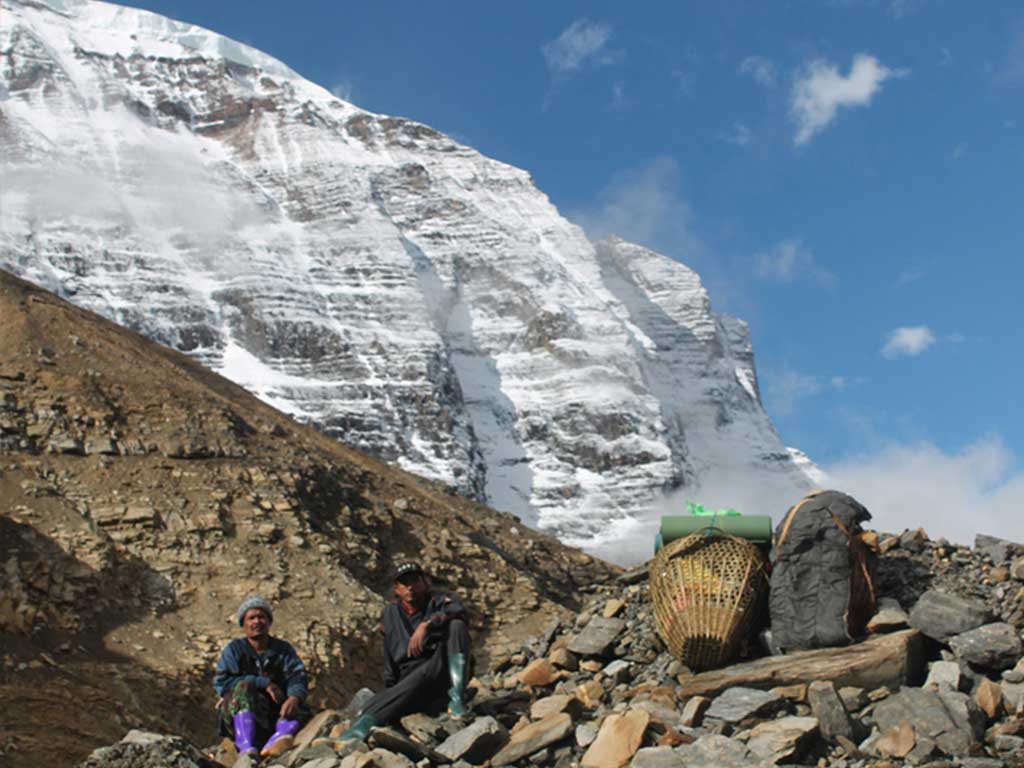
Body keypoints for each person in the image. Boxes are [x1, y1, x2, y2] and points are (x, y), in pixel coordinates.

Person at [340, 562, 471, 741]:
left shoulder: (438, 601)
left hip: (439, 670)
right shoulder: (391, 613)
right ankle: (373, 716)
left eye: (415, 581)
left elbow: (458, 610)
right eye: (404, 583)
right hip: (410, 678)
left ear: (425, 582)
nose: (410, 587)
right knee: (396, 690)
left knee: (456, 626)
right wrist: (392, 688)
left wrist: (427, 624)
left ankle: (457, 699)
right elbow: (389, 656)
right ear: (397, 589)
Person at [214, 596, 310, 758]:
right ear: (243, 624)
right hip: (240, 711)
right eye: (251, 618)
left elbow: (297, 675)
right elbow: (222, 682)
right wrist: (263, 683)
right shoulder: (234, 650)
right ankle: (246, 747)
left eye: (261, 617)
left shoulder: (283, 649)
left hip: (273, 711)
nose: (257, 621)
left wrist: (294, 697)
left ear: (269, 621)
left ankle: (277, 738)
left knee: (302, 708)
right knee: (243, 687)